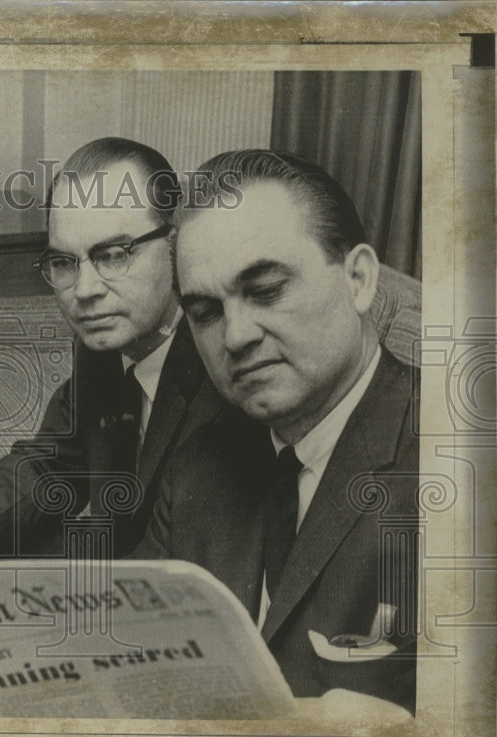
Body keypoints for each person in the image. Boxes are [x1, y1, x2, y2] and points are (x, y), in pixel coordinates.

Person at [133, 149, 418, 713]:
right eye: (206, 312)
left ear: (359, 279)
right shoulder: (198, 471)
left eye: (265, 290)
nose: (235, 337)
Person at [0, 138, 225, 558]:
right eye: (64, 263)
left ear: (176, 245)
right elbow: (51, 464)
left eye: (113, 255)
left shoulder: (223, 363)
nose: (84, 291)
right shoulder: (103, 345)